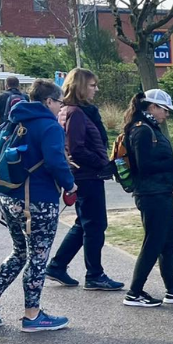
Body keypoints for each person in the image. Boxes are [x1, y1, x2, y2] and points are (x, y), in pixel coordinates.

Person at [0, 79, 78, 332]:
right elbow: (55, 161)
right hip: (38, 200)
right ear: (48, 101)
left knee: (19, 252)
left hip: (8, 198)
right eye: (60, 102)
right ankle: (32, 315)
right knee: (38, 257)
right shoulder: (49, 126)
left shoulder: (9, 122)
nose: (61, 108)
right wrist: (70, 185)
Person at [45, 68, 124, 291]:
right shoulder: (77, 112)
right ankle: (95, 274)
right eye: (92, 85)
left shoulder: (68, 110)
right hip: (87, 175)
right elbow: (77, 148)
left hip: (82, 174)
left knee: (84, 223)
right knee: (95, 224)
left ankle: (58, 265)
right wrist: (102, 163)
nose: (96, 89)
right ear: (79, 86)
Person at [121, 89, 173, 308]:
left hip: (160, 192)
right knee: (154, 243)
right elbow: (144, 166)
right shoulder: (142, 131)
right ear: (152, 107)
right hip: (151, 193)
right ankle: (134, 292)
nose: (167, 114)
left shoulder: (148, 128)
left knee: (169, 242)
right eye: (164, 110)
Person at [0, 76, 26, 140]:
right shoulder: (25, 97)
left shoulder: (0, 98)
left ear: (6, 86)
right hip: (22, 132)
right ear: (18, 86)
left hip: (5, 132)